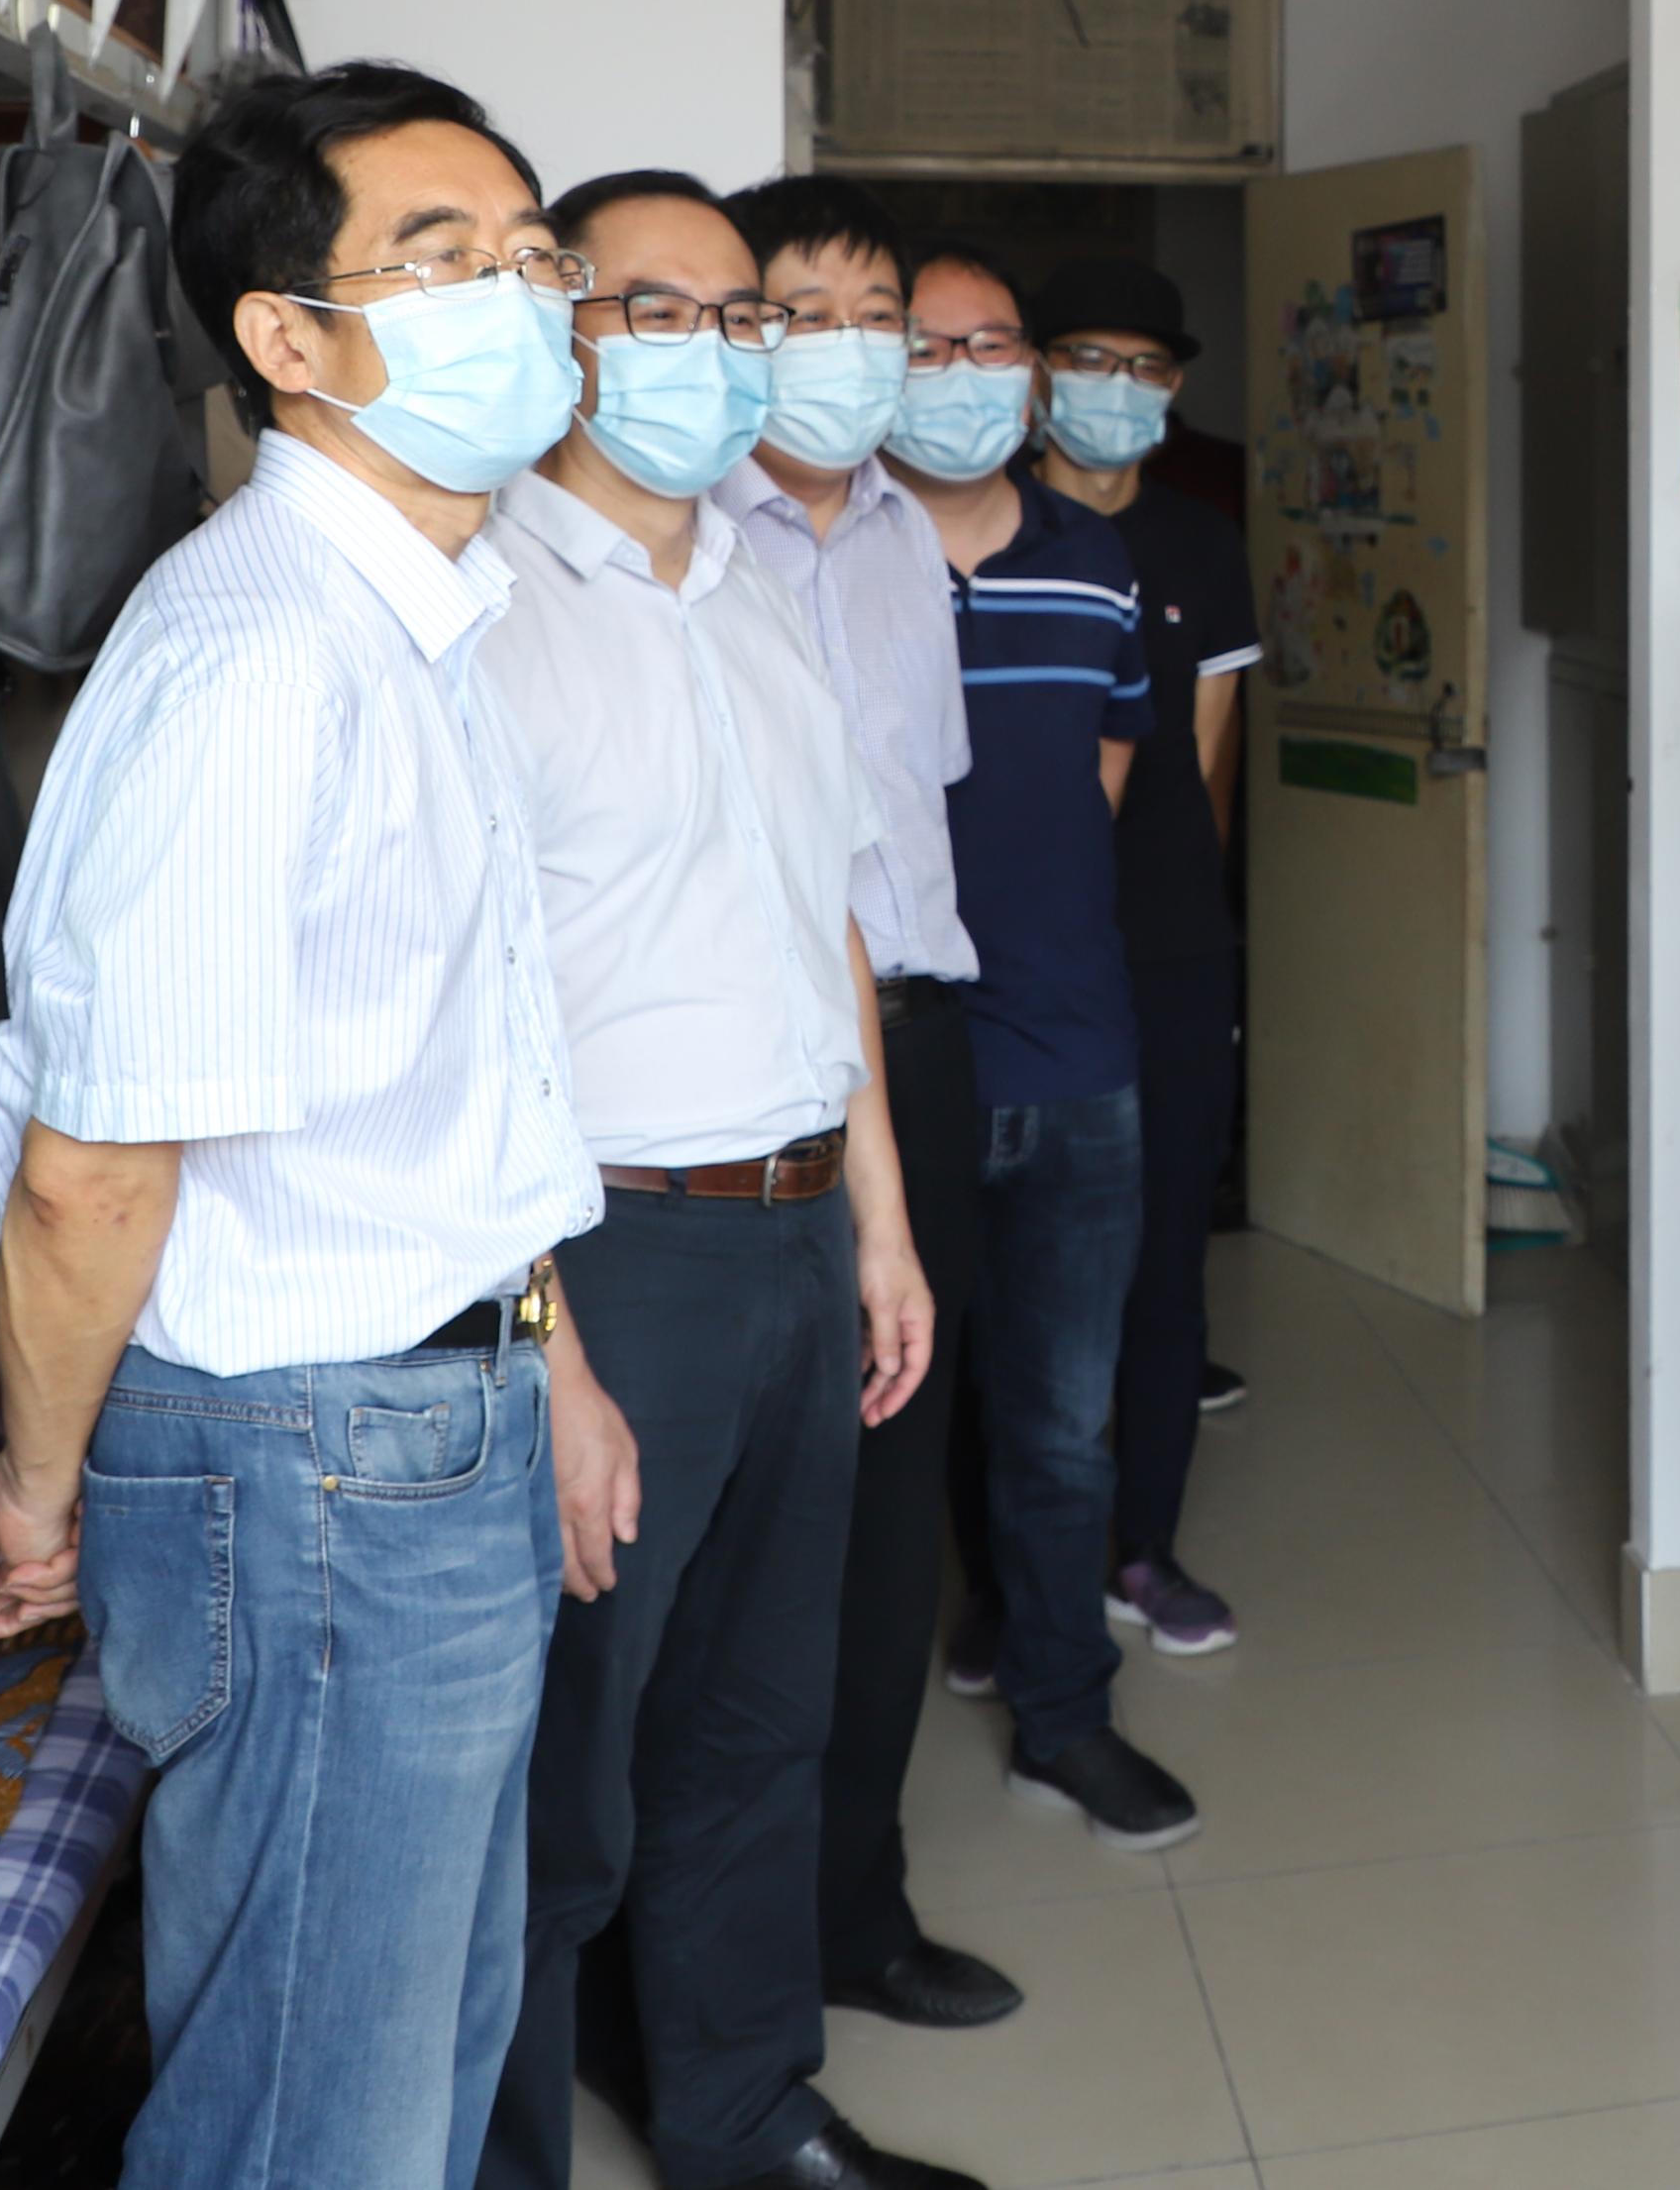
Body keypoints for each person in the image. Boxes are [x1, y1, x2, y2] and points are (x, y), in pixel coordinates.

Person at [0, 60, 614, 2190]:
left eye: (535, 255)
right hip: (318, 1462)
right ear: (287, 336)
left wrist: (546, 1357)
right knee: (315, 2114)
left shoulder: (411, 619)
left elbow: (438, 1093)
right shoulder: (259, 652)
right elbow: (94, 1163)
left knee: (408, 2053)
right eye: (443, 257)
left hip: (430, 1418)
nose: (520, 295)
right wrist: (38, 1481)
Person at [476, 173, 960, 2190]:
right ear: (562, 328)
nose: (717, 350)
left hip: (794, 1233)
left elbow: (825, 920)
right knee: (562, 1763)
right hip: (611, 1252)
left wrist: (881, 1221)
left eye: (738, 312)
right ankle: (502, 2156)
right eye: (657, 308)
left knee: (761, 1719)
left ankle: (744, 2115)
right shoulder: (484, 602)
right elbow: (462, 1013)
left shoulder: (760, 595)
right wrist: (550, 1343)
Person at [723, 174, 1027, 2034]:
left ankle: (858, 1904)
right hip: (754, 1068)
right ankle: (715, 1956)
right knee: (758, 1523)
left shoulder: (917, 543)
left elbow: (918, 821)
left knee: (899, 1501)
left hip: (921, 1037)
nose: (851, 353)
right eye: (806, 314)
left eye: (877, 320)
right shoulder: (689, 542)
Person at [892, 242, 1204, 1853]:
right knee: (880, 1435)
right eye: (925, 343)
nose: (962, 374)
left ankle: (1065, 1717)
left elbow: (1101, 776)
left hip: (1076, 1054)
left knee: (1063, 1423)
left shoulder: (1096, 564)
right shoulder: (817, 559)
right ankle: (838, 1799)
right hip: (895, 1071)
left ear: (1028, 377)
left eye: (991, 344)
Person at [1022, 257, 1261, 1653]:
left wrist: (1185, 921)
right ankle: (1015, 1584)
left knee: (1168, 1258)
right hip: (1016, 961)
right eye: (1087, 359)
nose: (1116, 388)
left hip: (1166, 952)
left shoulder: (1201, 546)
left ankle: (1145, 1550)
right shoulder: (980, 530)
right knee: (1019, 1276)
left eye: (1145, 365)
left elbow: (1211, 763)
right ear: (1038, 372)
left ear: (1173, 386)